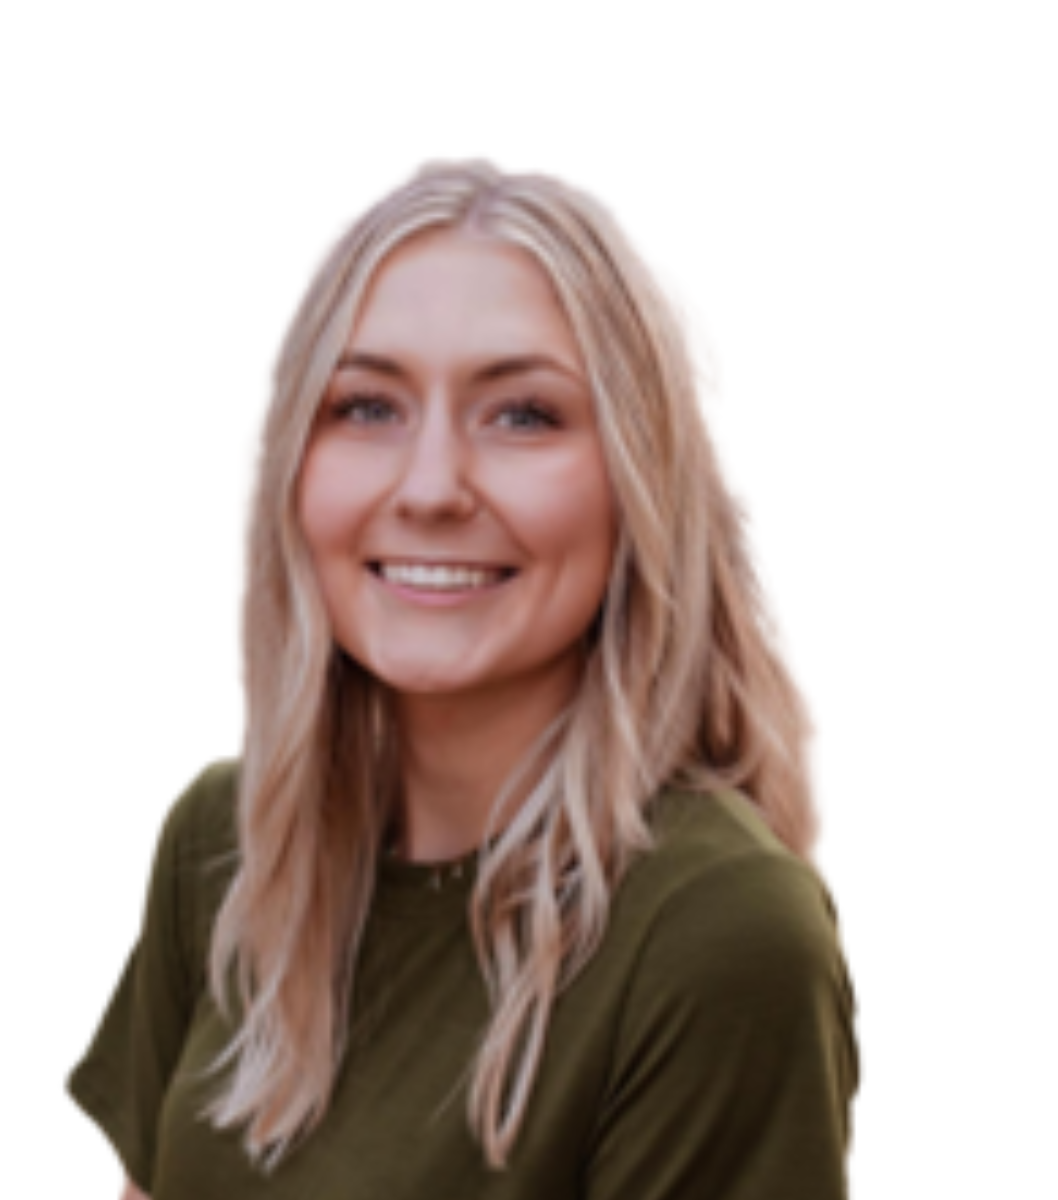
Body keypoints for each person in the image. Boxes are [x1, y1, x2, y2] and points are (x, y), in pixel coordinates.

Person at [67, 160, 859, 1200]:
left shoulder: (718, 933)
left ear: (638, 482)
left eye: (522, 415)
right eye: (367, 406)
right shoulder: (226, 848)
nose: (432, 486)